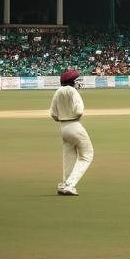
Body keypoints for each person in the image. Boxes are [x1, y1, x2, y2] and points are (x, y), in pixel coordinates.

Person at [49, 68, 94, 197]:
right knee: (87, 155)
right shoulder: (73, 91)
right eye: (77, 80)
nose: (78, 82)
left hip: (63, 127)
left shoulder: (58, 92)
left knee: (68, 157)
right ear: (71, 81)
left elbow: (53, 114)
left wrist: (62, 117)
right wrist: (73, 115)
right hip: (75, 125)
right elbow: (79, 111)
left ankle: (65, 183)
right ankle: (70, 185)